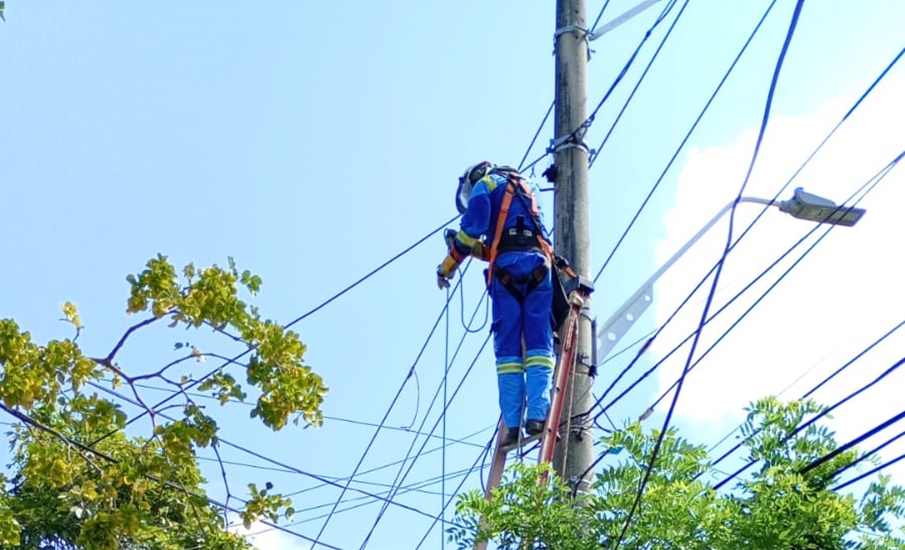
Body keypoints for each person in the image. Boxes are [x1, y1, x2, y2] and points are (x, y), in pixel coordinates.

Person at [436, 161, 555, 447]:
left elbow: (471, 232)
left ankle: (513, 426)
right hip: (540, 266)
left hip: (506, 273)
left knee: (508, 353)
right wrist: (475, 248)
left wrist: (448, 264)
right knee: (540, 345)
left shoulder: (484, 185)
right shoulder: (530, 187)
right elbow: (514, 237)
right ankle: (537, 416)